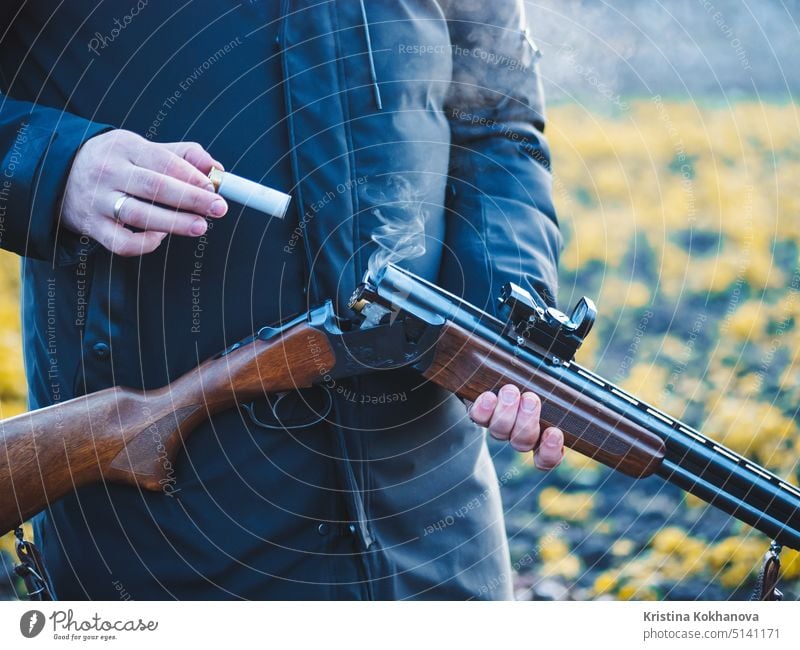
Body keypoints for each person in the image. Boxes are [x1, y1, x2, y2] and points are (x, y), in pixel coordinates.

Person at [0, 1, 564, 599]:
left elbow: (499, 123)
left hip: (436, 517)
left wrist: (509, 314)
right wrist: (57, 168)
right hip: (163, 532)